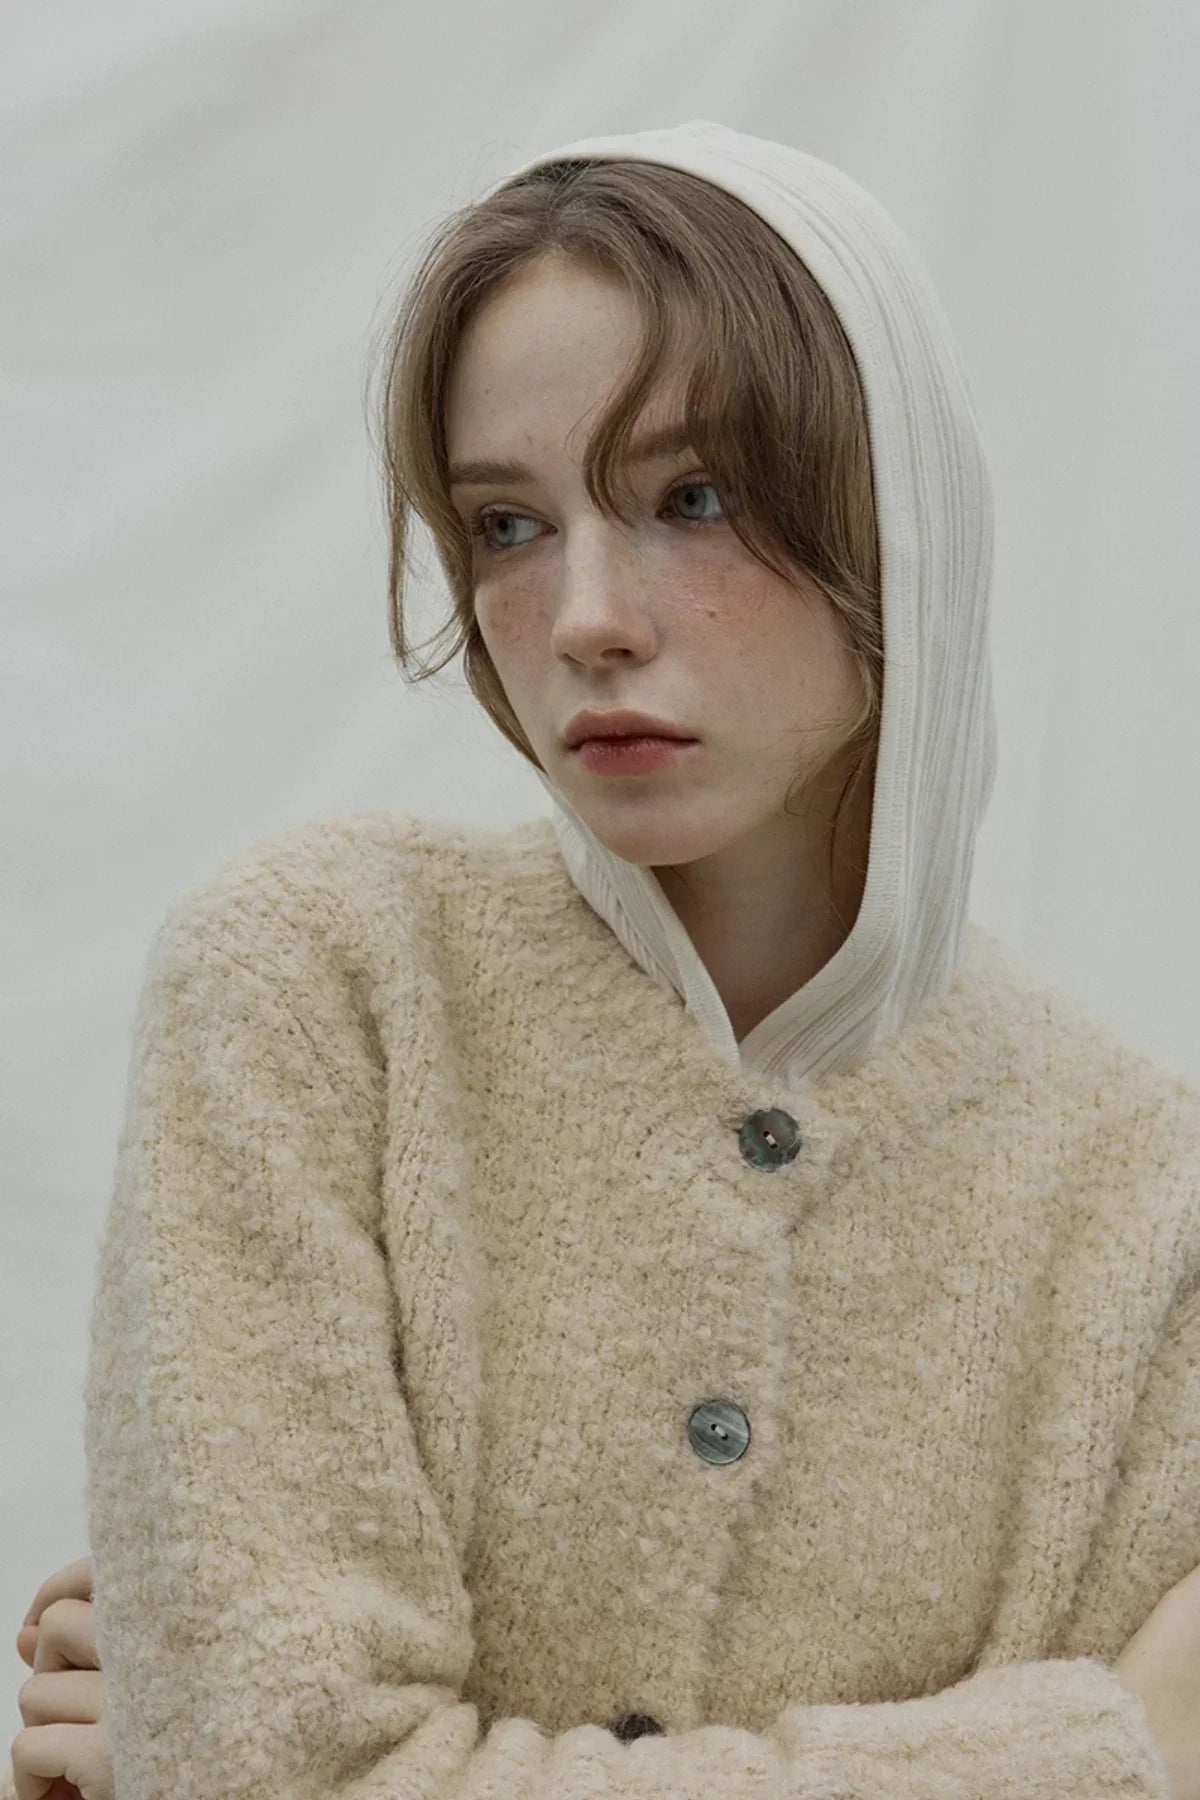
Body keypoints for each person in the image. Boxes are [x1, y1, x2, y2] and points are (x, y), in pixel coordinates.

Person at [5, 117, 1200, 1800]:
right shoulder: (323, 989)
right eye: (505, 524)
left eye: (690, 498)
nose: (582, 617)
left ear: (899, 510)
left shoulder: (1145, 1204)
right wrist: (1097, 1750)